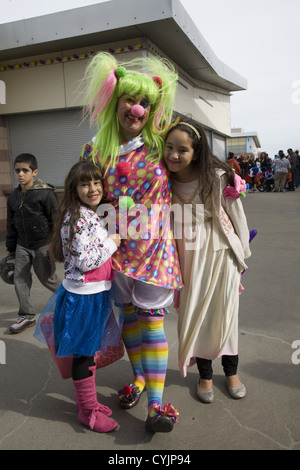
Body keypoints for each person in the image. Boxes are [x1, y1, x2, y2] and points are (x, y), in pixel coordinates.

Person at [81, 52, 182, 432]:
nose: (136, 109)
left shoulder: (160, 144)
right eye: (129, 99)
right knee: (128, 320)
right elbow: (81, 198)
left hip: (155, 252)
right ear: (115, 101)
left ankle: (156, 404)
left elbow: (193, 167)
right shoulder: (94, 150)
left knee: (152, 324)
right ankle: (139, 379)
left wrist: (226, 187)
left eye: (144, 103)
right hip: (115, 251)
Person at [163, 118, 251, 403]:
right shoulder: (161, 179)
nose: (174, 155)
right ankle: (205, 375)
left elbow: (236, 216)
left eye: (182, 150)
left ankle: (231, 371)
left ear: (197, 152)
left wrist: (242, 258)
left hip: (220, 255)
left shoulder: (217, 176)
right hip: (186, 259)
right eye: (169, 147)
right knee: (195, 316)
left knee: (225, 315)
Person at [35, 160, 121, 433]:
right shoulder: (79, 217)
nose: (93, 188)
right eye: (85, 184)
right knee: (83, 356)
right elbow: (85, 260)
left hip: (90, 293)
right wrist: (112, 243)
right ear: (74, 188)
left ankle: (90, 404)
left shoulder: (86, 214)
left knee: (87, 353)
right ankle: (87, 412)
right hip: (84, 297)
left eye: (97, 182)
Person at [6, 153, 61, 334]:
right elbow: (11, 223)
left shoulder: (45, 193)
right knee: (19, 279)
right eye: (17, 171)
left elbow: (56, 219)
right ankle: (27, 315)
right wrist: (11, 248)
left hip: (42, 244)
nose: (21, 174)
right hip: (22, 245)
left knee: (47, 279)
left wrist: (56, 244)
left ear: (34, 172)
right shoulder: (13, 197)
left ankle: (71, 303)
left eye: (25, 170)